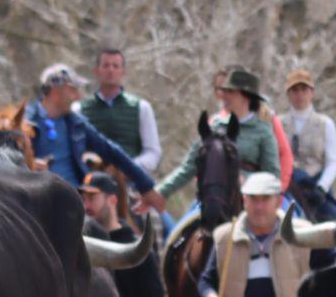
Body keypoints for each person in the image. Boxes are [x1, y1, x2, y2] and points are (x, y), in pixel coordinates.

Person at [24, 63, 162, 207]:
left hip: (78, 201)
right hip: (39, 202)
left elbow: (112, 151)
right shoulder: (24, 123)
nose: (77, 96)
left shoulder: (76, 124)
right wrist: (29, 165)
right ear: (56, 92)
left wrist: (146, 185)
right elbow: (7, 164)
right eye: (72, 90)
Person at [157, 66, 280, 211]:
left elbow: (272, 174)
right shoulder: (214, 127)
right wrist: (161, 191)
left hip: (252, 203)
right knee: (183, 229)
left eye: (230, 91)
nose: (224, 96)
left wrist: (248, 182)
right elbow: (189, 167)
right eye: (224, 91)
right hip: (212, 198)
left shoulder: (263, 131)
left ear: (246, 96)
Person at [77, 46, 161, 174]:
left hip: (132, 181)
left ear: (123, 72)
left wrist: (129, 168)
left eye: (115, 66)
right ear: (96, 71)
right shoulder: (79, 109)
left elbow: (152, 152)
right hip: (92, 181)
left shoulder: (141, 108)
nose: (111, 70)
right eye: (106, 66)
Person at [280, 69, 336, 219]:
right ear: (288, 94)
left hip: (315, 185)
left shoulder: (325, 123)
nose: (300, 95)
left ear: (312, 93)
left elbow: (332, 162)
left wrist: (322, 187)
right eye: (295, 90)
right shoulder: (278, 123)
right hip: (287, 186)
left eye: (304, 89)